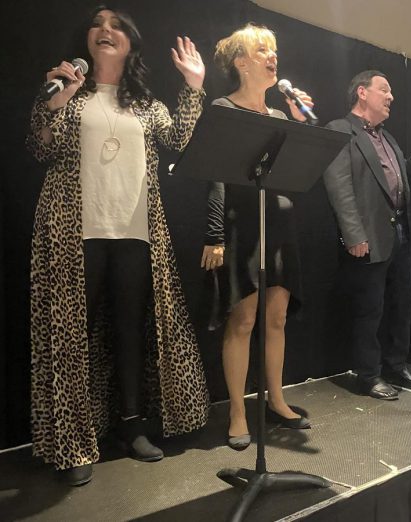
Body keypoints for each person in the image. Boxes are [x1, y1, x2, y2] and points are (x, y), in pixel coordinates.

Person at [26, 6, 209, 486]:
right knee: (73, 337)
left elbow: (179, 142)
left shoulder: (146, 105)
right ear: (86, 41)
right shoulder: (66, 90)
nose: (105, 31)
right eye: (96, 24)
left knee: (131, 328)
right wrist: (55, 103)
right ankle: (73, 439)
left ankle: (131, 425)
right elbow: (41, 149)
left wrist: (193, 87)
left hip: (134, 232)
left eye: (116, 25)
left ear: (131, 42)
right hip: (72, 231)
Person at [200, 24, 315, 451]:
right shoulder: (223, 107)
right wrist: (214, 235)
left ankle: (277, 399)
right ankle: (236, 410)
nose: (273, 57)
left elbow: (300, 172)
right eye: (262, 49)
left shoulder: (282, 116)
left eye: (275, 50)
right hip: (242, 226)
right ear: (241, 62)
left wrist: (303, 124)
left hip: (280, 227)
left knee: (277, 318)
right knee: (243, 319)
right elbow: (214, 177)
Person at [323, 70, 411, 400]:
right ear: (362, 92)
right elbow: (339, 186)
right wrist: (353, 234)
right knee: (370, 308)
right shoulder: (340, 130)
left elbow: (403, 180)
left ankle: (395, 365)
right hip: (368, 235)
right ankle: (368, 374)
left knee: (405, 302)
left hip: (402, 233)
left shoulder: (388, 138)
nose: (391, 97)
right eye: (384, 90)